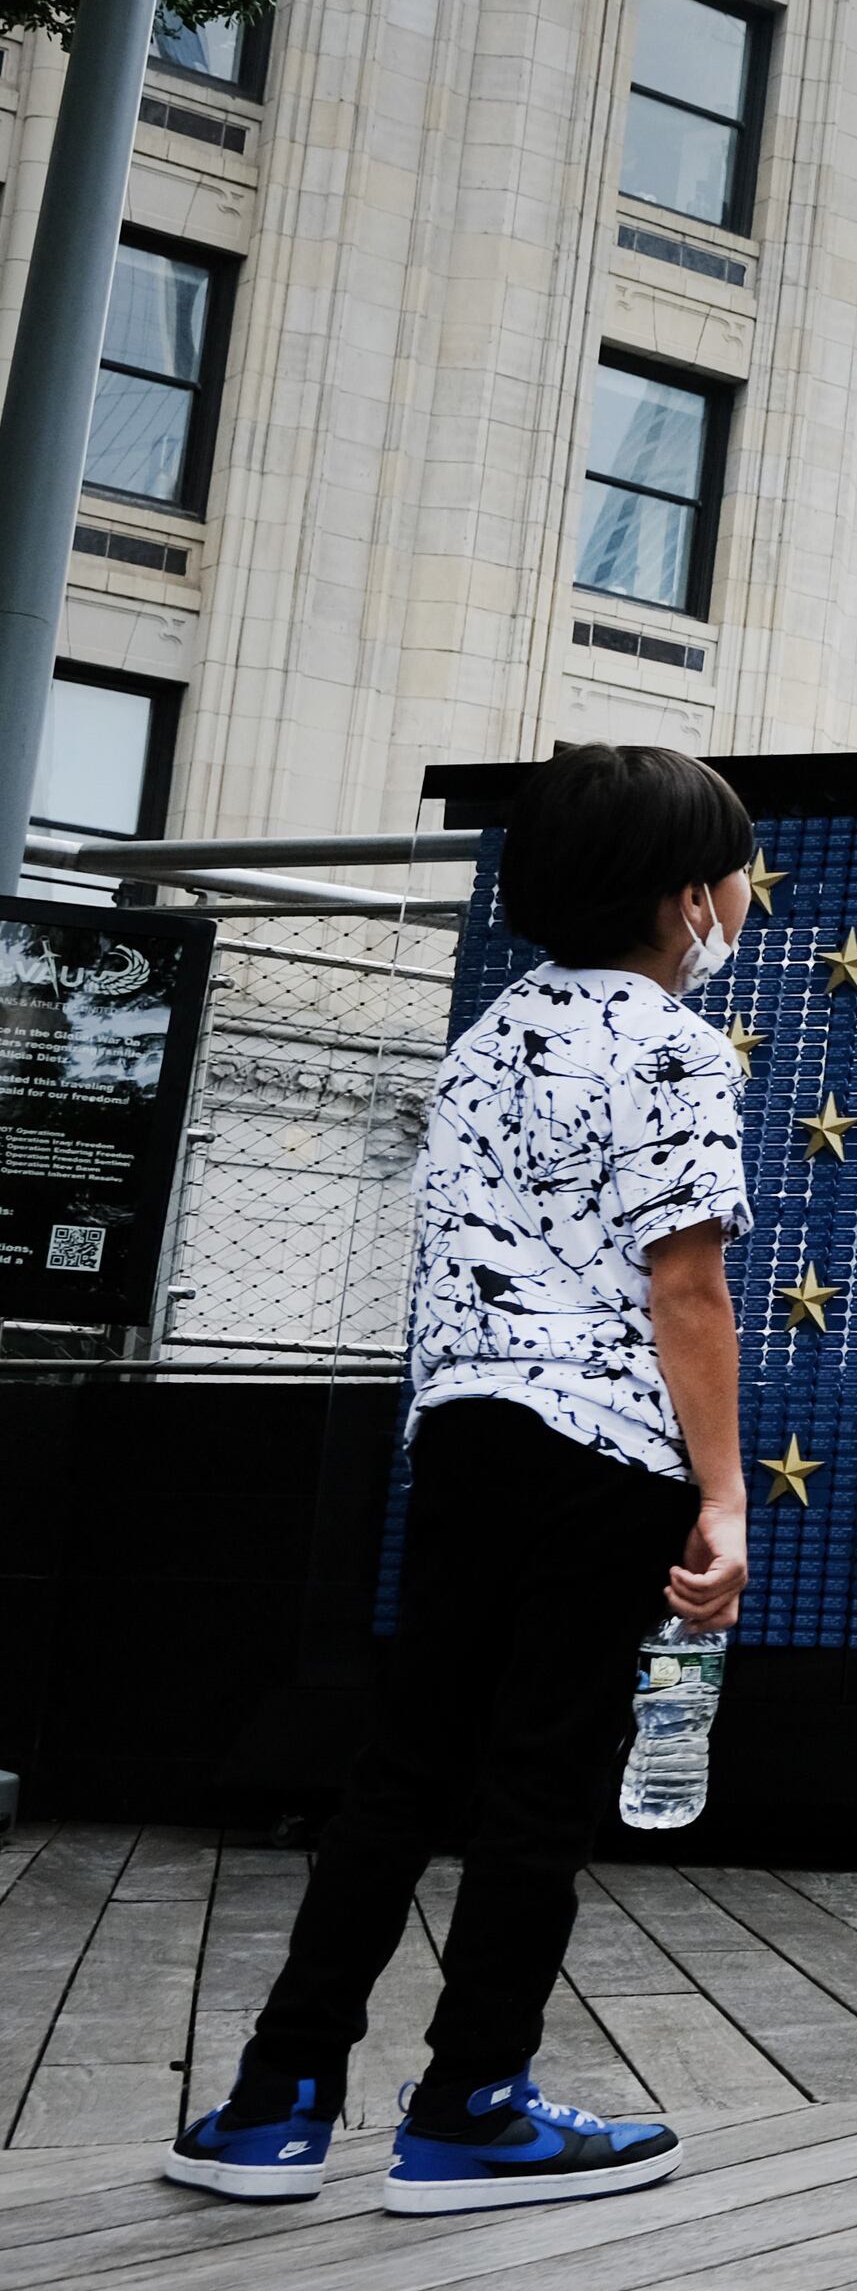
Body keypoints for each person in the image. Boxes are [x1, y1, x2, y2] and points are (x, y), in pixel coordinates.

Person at [167, 740, 757, 2214]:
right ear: (691, 900)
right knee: (537, 1779)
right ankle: (470, 2104)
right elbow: (684, 1288)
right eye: (738, 875)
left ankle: (272, 2101)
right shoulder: (680, 1047)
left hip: (465, 1430)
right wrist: (725, 1495)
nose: (749, 899)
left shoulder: (488, 1033)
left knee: (401, 1765)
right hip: (603, 1450)